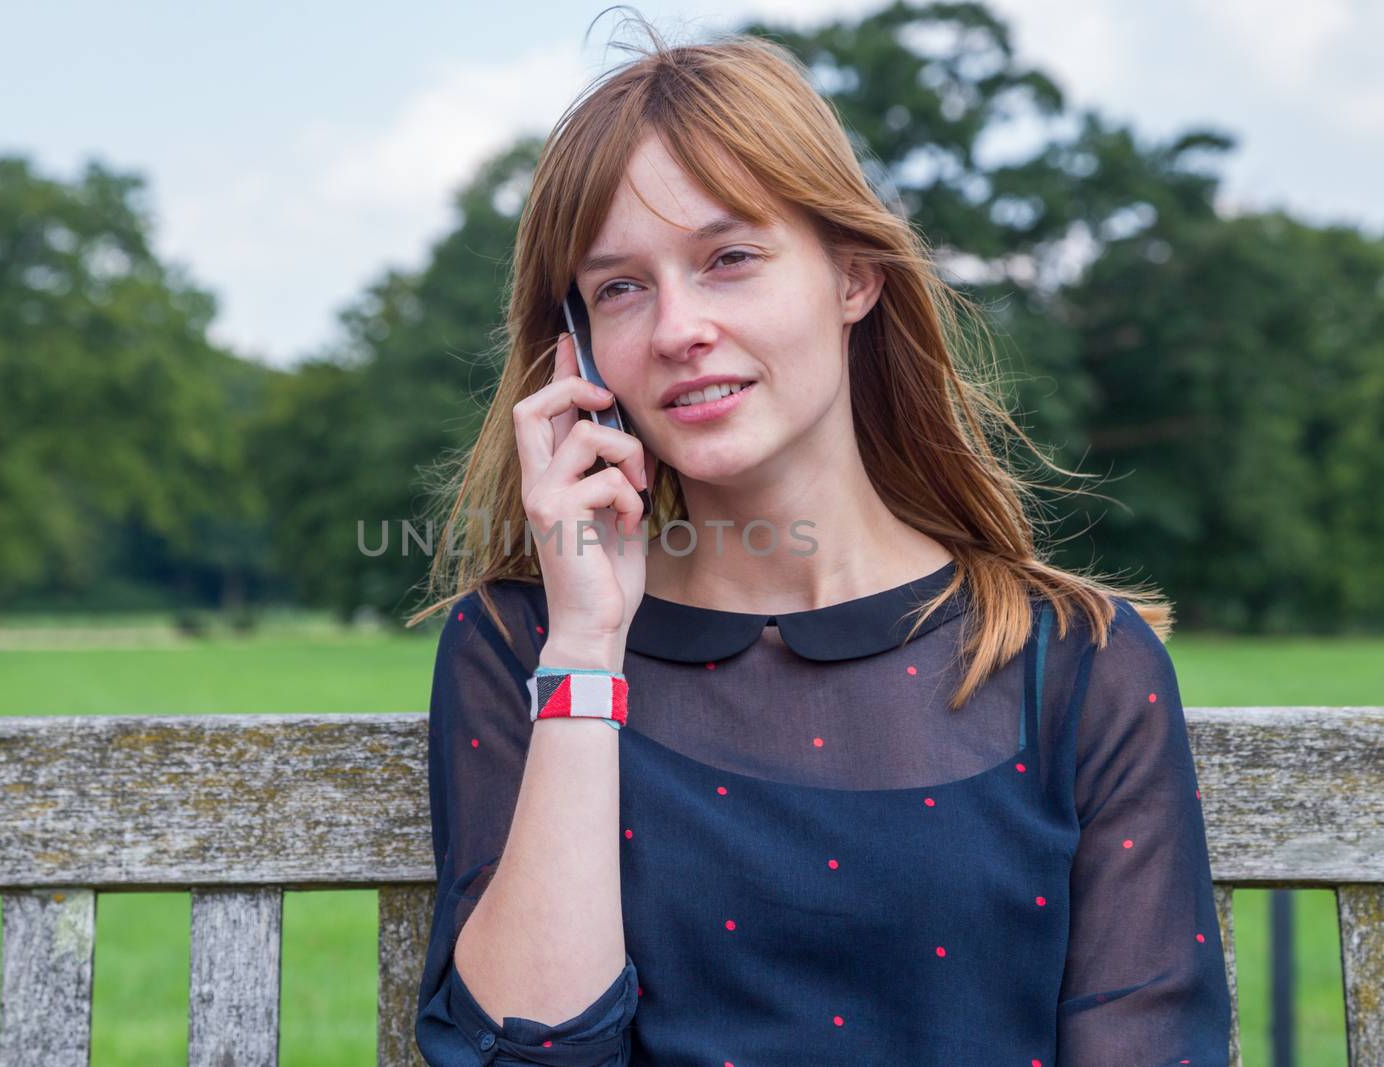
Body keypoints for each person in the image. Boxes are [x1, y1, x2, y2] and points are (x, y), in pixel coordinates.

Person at [405, 19, 1232, 1066]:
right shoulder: (522, 642)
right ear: (577, 352)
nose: (675, 327)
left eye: (729, 258)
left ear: (854, 276)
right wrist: (583, 649)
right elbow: (528, 1053)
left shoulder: (1073, 660)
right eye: (619, 286)